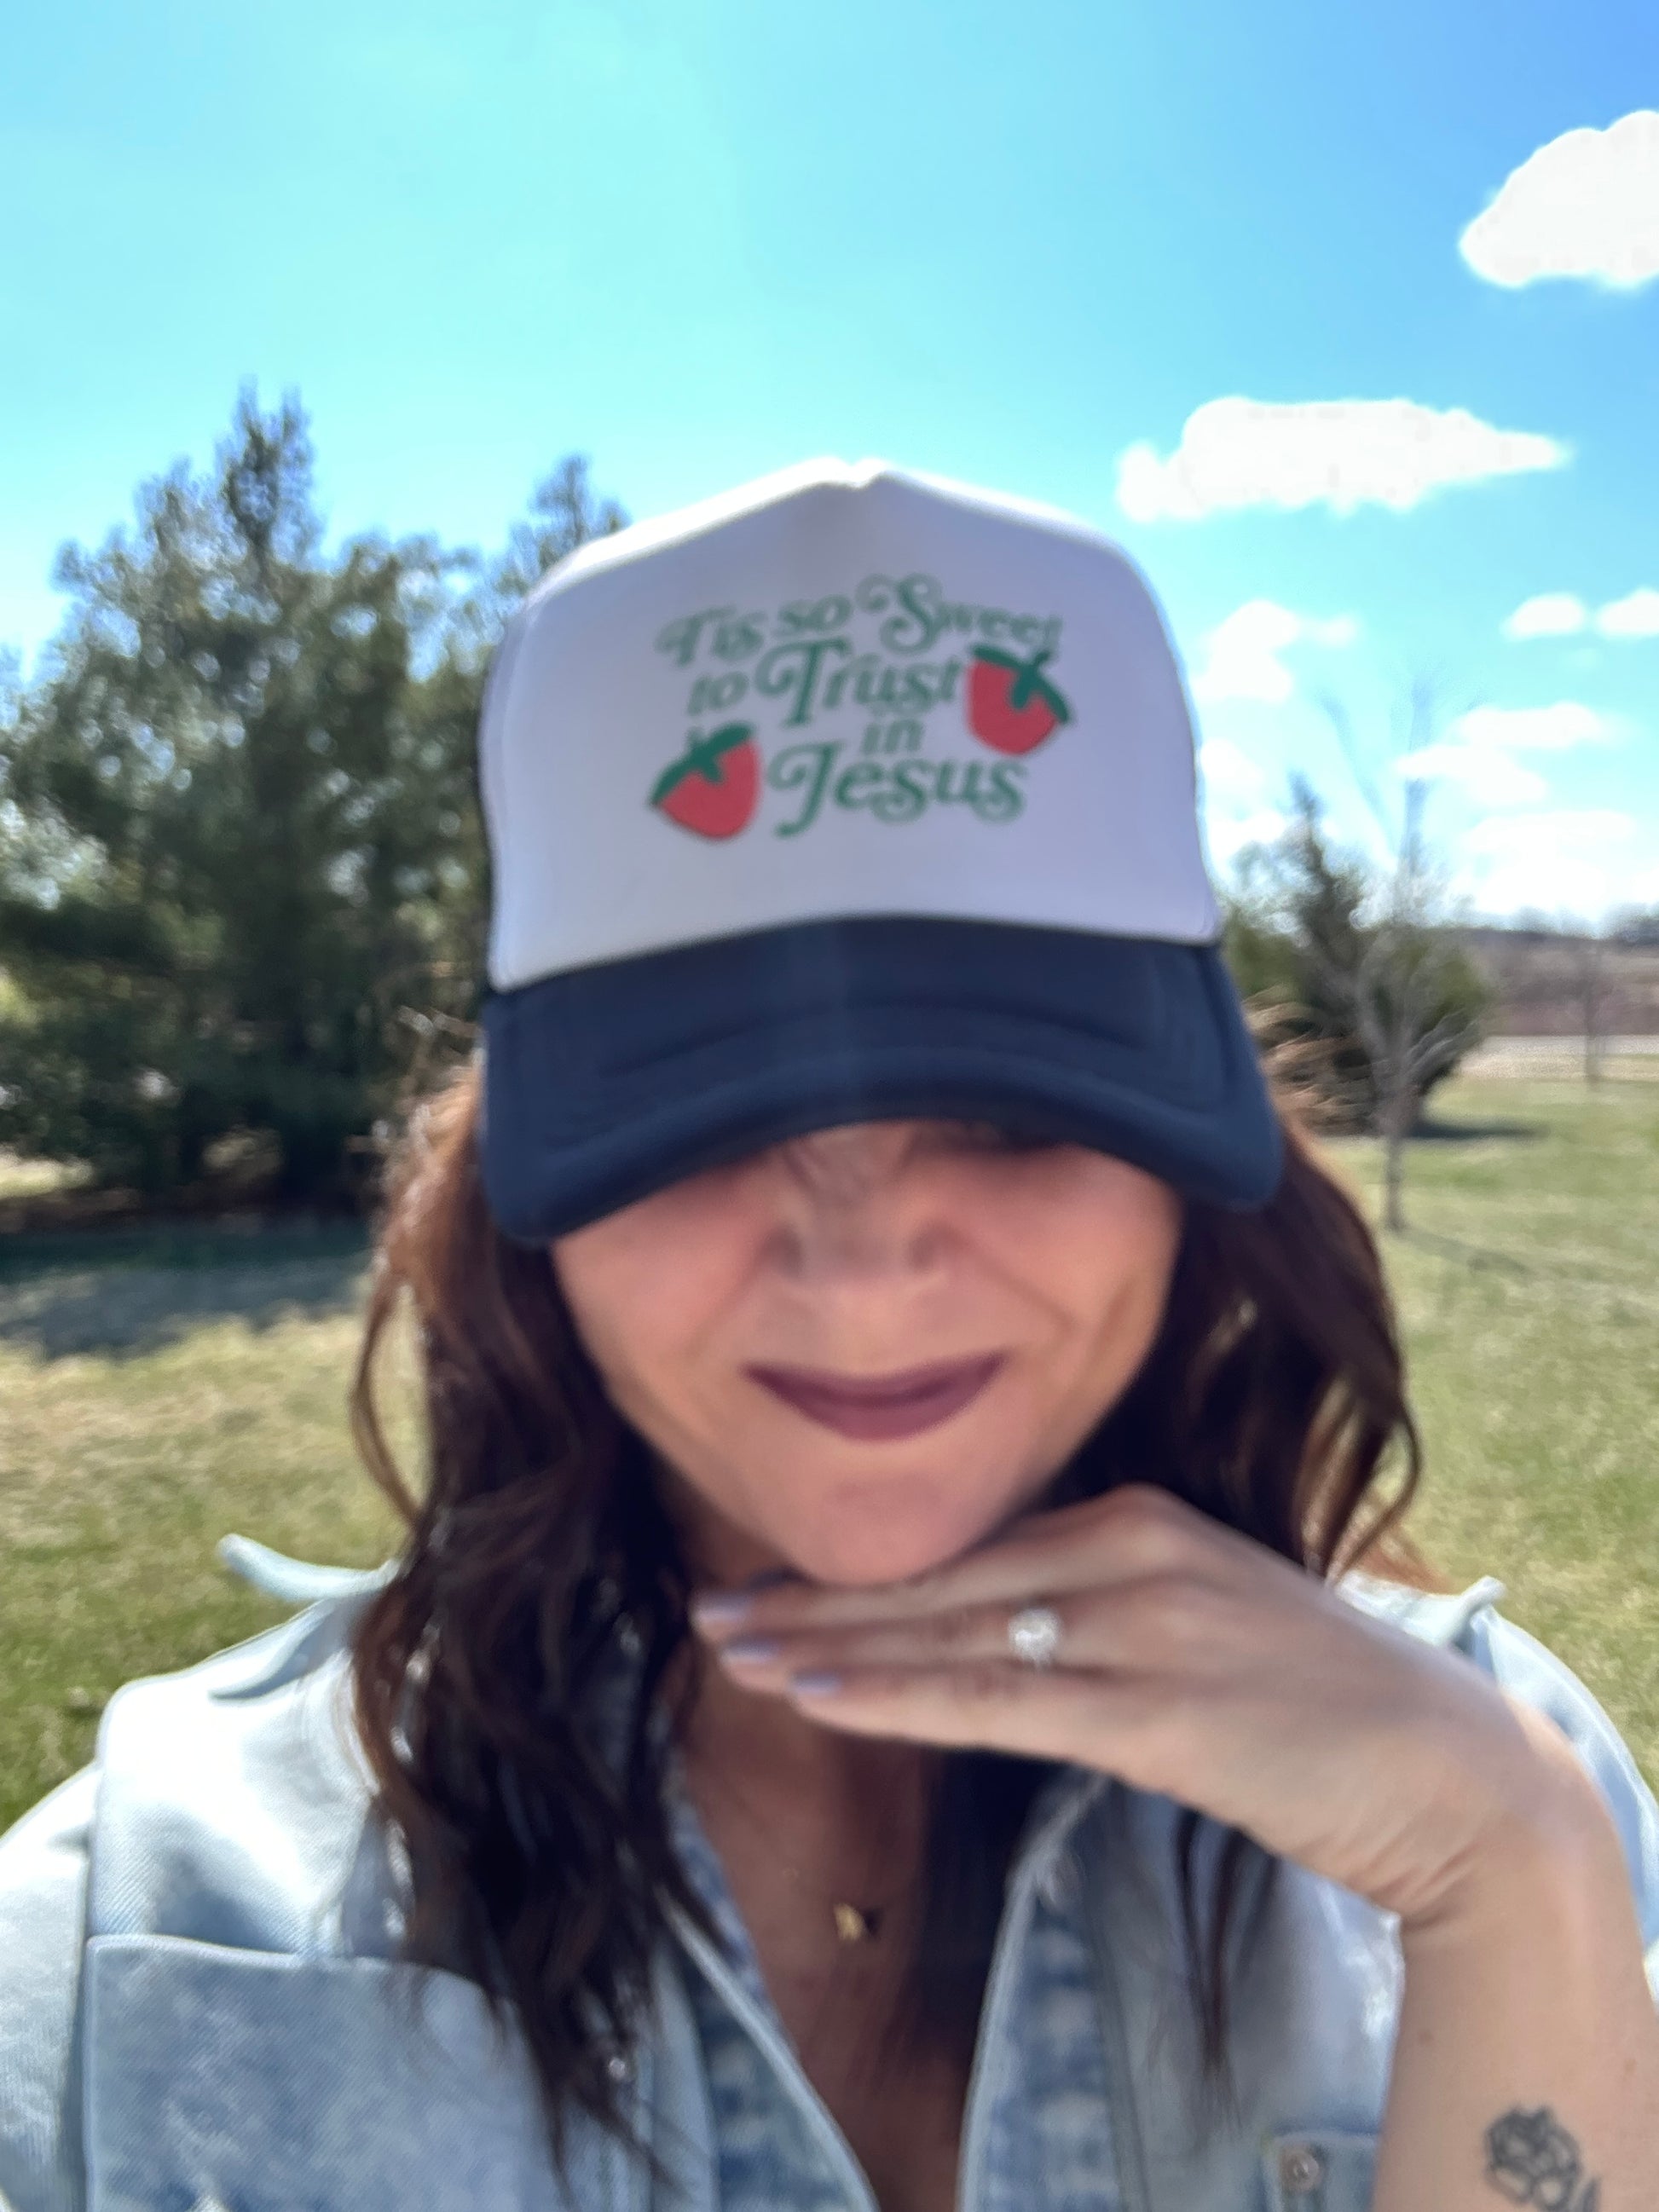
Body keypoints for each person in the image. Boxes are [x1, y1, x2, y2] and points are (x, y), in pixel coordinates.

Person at [2, 458, 1656, 2212]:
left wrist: (1503, 1873)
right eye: (702, 1123)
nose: (863, 1277)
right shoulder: (133, 1945)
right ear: (524, 1201)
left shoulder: (1500, 1780)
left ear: (1190, 1169)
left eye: (1010, 1114)